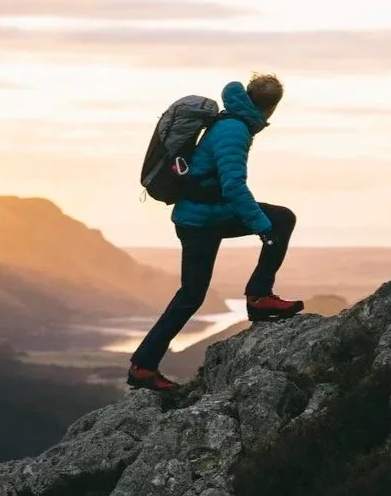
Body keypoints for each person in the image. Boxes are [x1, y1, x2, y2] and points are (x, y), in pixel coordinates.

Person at [128, 74, 302, 392]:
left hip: (201, 217)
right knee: (279, 221)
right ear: (271, 108)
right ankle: (260, 297)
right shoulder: (235, 130)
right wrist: (261, 227)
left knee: (190, 295)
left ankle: (143, 366)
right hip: (203, 220)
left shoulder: (231, 121)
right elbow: (232, 185)